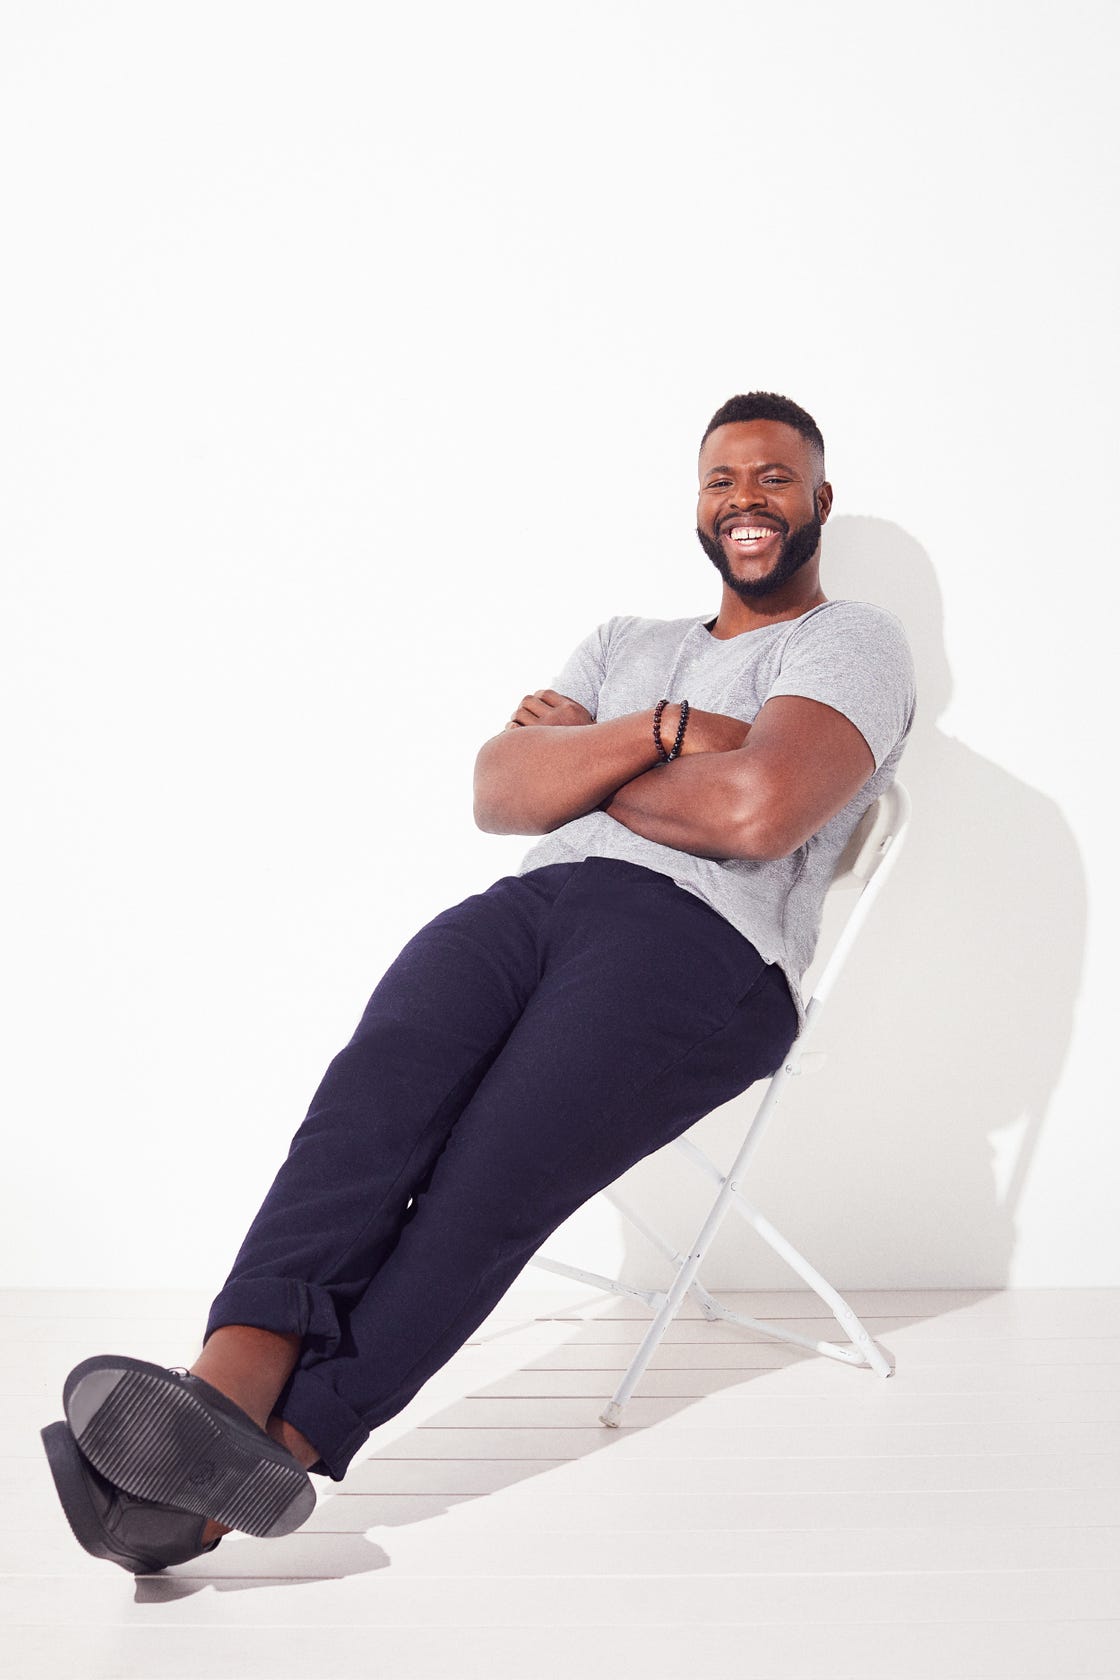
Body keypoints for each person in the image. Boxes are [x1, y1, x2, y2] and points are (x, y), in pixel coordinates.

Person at [42, 390, 915, 1573]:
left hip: (700, 946)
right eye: (721, 480)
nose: (745, 501)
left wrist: (587, 761)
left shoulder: (846, 640)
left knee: (486, 1172)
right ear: (696, 505)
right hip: (529, 908)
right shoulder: (624, 642)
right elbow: (499, 795)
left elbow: (757, 812)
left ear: (819, 500)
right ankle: (219, 1389)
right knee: (367, 1108)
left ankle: (261, 1462)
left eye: (772, 479)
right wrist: (674, 732)